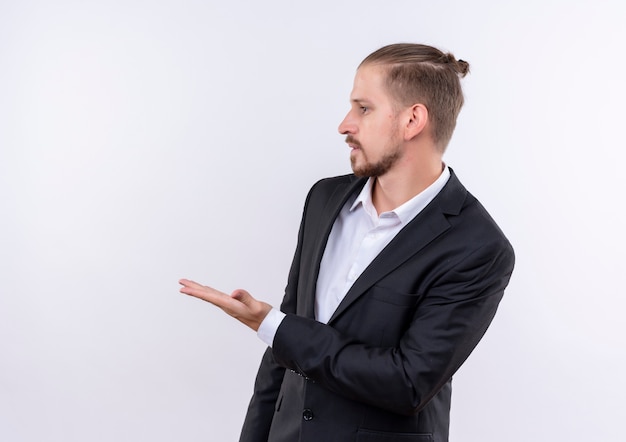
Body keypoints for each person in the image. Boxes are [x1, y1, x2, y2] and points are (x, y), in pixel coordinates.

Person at [179, 43, 515, 442]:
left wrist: (273, 326)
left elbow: (408, 383)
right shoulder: (324, 199)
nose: (344, 124)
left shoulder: (477, 247)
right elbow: (284, 345)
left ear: (412, 120)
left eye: (364, 108)